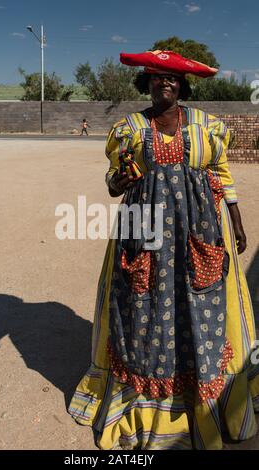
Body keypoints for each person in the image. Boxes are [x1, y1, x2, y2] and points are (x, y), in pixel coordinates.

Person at [68, 50, 259, 450]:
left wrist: (237, 219)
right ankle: (145, 409)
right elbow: (113, 181)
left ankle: (206, 402)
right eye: (156, 77)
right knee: (144, 310)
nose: (164, 84)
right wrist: (117, 183)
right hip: (144, 233)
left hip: (200, 232)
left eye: (171, 78)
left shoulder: (208, 127)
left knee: (203, 308)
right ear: (147, 83)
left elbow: (220, 173)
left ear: (182, 84)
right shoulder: (130, 129)